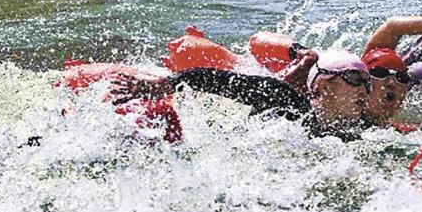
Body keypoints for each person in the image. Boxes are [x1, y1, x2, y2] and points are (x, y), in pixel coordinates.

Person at [110, 50, 371, 141]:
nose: (365, 90)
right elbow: (214, 79)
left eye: (368, 84)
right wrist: (164, 84)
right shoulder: (282, 99)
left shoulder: (349, 134)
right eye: (356, 80)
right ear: (324, 86)